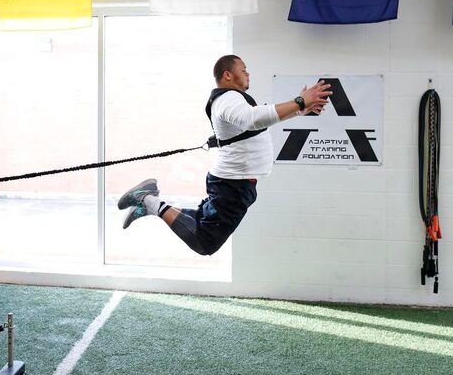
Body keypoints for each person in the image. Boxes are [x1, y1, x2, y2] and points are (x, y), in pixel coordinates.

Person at [118, 55, 332, 256]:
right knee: (205, 242)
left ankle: (151, 205)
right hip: (233, 184)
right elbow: (253, 119)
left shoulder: (233, 100)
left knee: (203, 221)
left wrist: (299, 110)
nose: (248, 74)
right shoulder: (228, 98)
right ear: (228, 74)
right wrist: (299, 102)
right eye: (244, 70)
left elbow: (260, 120)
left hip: (233, 182)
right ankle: (148, 201)